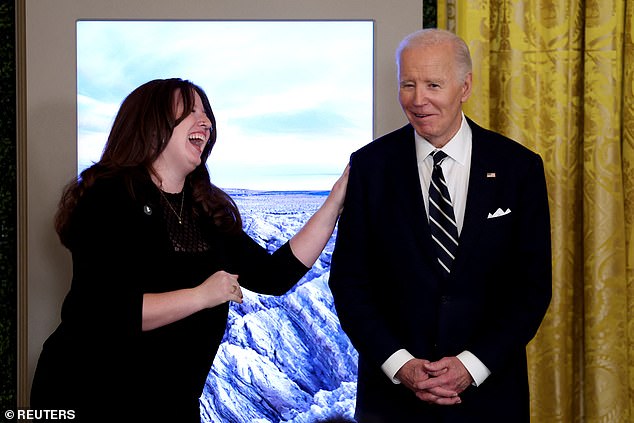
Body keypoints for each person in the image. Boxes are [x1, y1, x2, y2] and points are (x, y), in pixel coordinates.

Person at [30, 78, 349, 422]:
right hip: (92, 395)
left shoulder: (202, 210)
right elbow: (105, 313)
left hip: (171, 403)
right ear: (151, 124)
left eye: (206, 113)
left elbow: (275, 275)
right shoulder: (108, 198)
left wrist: (333, 202)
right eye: (191, 111)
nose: (206, 122)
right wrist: (202, 295)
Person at [329, 28, 552, 422]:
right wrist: (400, 365)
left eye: (433, 84)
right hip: (392, 403)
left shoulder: (519, 168)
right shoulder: (369, 167)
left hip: (490, 400)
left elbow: (531, 289)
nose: (418, 99)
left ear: (464, 87)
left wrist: (471, 366)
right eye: (408, 84)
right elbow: (349, 284)